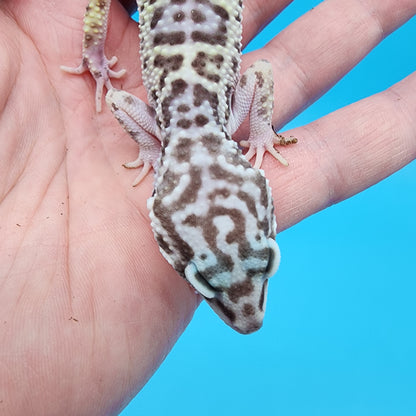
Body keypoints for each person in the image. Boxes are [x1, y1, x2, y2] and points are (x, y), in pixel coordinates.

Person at [0, 0, 415, 415]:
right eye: (264, 259)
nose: (251, 316)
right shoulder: (193, 123)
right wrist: (256, 131)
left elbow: (259, 75)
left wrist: (161, 137)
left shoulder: (206, 123)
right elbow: (130, 102)